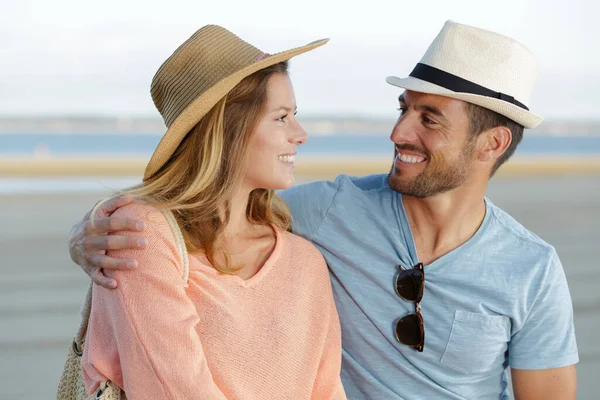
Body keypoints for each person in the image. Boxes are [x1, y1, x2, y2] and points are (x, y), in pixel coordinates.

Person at [69, 21, 578, 399]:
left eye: (430, 119)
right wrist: (91, 229)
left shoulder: (532, 270)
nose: (399, 133)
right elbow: (204, 207)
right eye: (403, 108)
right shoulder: (330, 212)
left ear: (492, 143)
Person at [73, 24, 346, 399]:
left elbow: (327, 391)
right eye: (281, 117)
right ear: (229, 127)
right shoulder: (141, 234)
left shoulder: (306, 262)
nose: (300, 134)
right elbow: (173, 388)